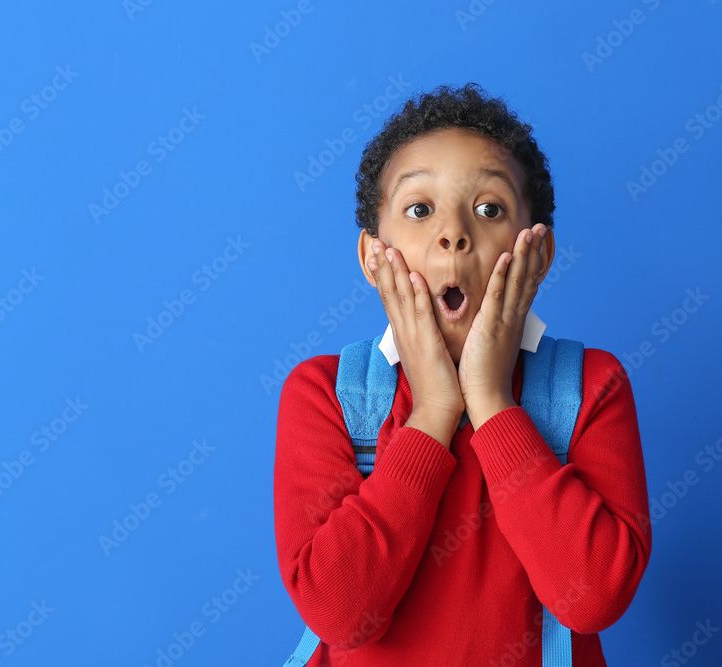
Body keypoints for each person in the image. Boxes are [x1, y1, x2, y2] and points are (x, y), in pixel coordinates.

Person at [274, 82, 651, 666]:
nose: (454, 234)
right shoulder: (328, 394)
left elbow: (594, 598)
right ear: (374, 258)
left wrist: (491, 401)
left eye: (489, 208)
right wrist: (432, 415)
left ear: (538, 255)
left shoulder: (589, 387)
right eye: (419, 209)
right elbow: (340, 612)